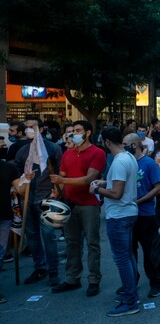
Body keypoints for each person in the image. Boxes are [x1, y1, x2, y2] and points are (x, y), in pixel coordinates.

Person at [50, 120, 105, 296]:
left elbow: (88, 179)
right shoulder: (68, 154)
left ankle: (94, 279)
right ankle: (72, 278)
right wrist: (56, 192)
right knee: (71, 243)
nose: (75, 134)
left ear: (88, 132)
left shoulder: (97, 153)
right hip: (70, 204)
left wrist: (61, 181)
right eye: (73, 131)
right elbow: (62, 177)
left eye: (78, 130)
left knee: (92, 243)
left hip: (89, 204)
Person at [89, 126, 140, 317]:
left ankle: (130, 299)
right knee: (127, 256)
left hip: (119, 215)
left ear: (107, 142)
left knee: (122, 258)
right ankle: (131, 293)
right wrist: (105, 183)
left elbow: (117, 193)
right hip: (127, 212)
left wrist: (97, 190)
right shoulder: (128, 158)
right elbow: (120, 185)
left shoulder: (119, 161)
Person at [15, 116, 62, 287]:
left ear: (41, 129)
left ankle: (53, 271)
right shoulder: (22, 151)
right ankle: (40, 268)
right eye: (26, 127)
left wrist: (56, 191)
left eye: (32, 127)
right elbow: (17, 174)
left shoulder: (53, 149)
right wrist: (23, 181)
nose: (28, 130)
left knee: (49, 236)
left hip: (46, 197)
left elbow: (59, 171)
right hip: (27, 198)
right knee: (32, 236)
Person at [123, 133, 160, 298]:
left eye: (126, 143)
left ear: (134, 145)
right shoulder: (124, 162)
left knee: (149, 250)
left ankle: (156, 281)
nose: (123, 146)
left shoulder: (148, 164)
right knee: (129, 250)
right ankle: (132, 279)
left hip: (146, 215)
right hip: (127, 214)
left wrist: (140, 201)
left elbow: (158, 187)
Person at [0, 160, 28, 303]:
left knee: (0, 254)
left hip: (3, 217)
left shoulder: (8, 168)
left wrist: (27, 179)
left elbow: (20, 189)